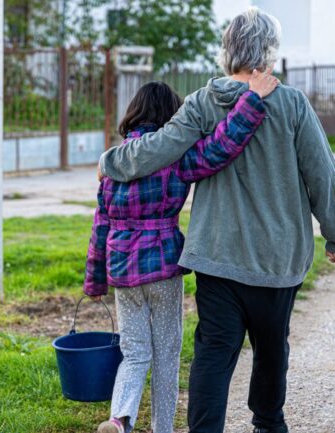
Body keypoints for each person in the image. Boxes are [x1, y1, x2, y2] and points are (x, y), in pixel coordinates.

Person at [97, 7, 335, 433]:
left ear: (227, 52)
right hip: (277, 260)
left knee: (214, 353)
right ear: (270, 54)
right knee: (272, 348)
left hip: (216, 256)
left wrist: (111, 161)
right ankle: (268, 424)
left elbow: (157, 149)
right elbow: (321, 174)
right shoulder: (291, 104)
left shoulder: (202, 102)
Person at [83, 74, 279, 433]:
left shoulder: (113, 164)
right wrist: (251, 101)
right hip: (163, 266)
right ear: (172, 116)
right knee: (167, 355)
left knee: (135, 351)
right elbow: (222, 146)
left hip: (123, 271)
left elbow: (101, 226)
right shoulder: (176, 158)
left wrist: (95, 282)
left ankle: (120, 418)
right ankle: (162, 429)